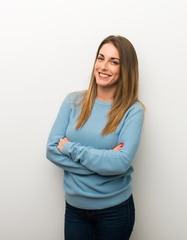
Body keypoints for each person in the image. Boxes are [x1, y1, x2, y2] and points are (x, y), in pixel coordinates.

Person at [46, 35, 144, 240]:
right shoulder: (73, 101)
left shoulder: (132, 111)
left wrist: (71, 148)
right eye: (101, 58)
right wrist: (104, 163)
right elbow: (51, 150)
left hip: (115, 212)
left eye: (114, 62)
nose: (103, 66)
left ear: (126, 69)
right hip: (75, 210)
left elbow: (121, 163)